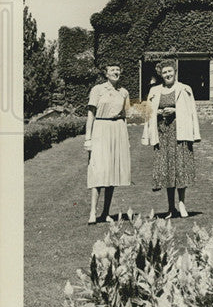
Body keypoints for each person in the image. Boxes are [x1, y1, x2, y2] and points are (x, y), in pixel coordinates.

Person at [142, 60, 200, 218]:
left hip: (180, 133)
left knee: (180, 168)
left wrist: (175, 110)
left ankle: (181, 203)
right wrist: (159, 113)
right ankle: (170, 207)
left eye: (170, 71)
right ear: (161, 74)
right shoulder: (154, 91)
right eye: (164, 72)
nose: (167, 75)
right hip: (162, 134)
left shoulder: (184, 89)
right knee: (167, 170)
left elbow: (191, 112)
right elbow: (149, 113)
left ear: (175, 72)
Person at [84, 61, 131, 224]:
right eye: (112, 70)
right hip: (100, 128)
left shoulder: (124, 92)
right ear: (106, 73)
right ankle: (92, 212)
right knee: (98, 171)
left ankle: (106, 212)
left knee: (112, 172)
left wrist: (126, 139)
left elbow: (125, 116)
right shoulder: (97, 90)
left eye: (118, 69)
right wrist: (88, 138)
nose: (116, 72)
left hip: (117, 130)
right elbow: (91, 114)